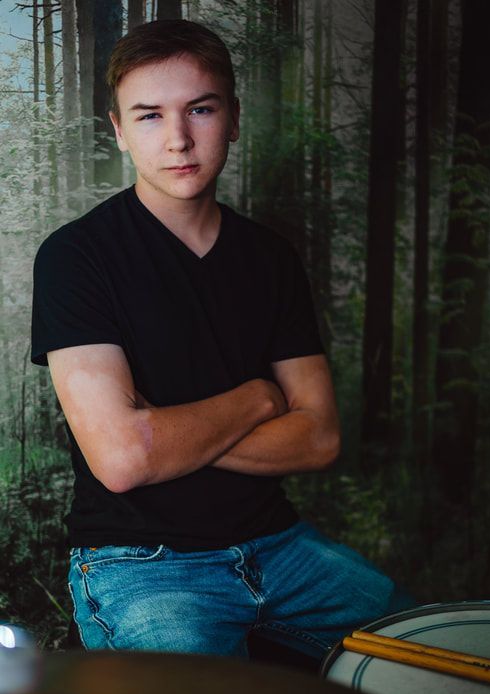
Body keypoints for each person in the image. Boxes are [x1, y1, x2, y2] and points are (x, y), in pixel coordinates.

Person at [31, 19, 411, 658]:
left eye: (199, 109)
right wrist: (259, 399)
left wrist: (160, 433)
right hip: (142, 564)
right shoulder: (77, 256)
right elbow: (123, 461)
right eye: (149, 116)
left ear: (232, 118)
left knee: (450, 660)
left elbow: (319, 437)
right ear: (120, 132)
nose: (178, 138)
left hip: (281, 547)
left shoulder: (270, 257)